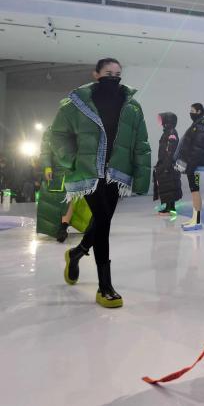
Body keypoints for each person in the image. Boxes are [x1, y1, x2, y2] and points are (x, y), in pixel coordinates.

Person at [52, 58, 151, 308]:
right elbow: (59, 135)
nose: (114, 77)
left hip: (116, 173)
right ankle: (105, 286)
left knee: (101, 220)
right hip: (89, 172)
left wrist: (142, 176)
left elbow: (141, 143)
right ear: (95, 74)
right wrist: (71, 161)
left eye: (118, 73)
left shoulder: (132, 107)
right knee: (103, 221)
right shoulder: (75, 104)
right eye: (108, 72)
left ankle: (76, 253)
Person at [36, 126, 92, 242]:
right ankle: (61, 227)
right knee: (57, 200)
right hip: (56, 171)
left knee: (70, 198)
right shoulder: (51, 129)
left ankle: (64, 226)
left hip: (73, 169)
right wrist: (47, 167)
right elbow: (45, 151)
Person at [175, 103, 204, 231]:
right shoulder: (196, 126)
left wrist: (189, 166)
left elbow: (197, 150)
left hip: (196, 165)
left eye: (192, 110)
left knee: (195, 190)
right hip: (193, 165)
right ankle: (194, 218)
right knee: (194, 190)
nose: (190, 113)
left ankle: (196, 221)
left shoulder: (200, 128)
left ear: (199, 112)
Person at [153, 112, 182, 216]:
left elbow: (171, 150)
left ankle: (171, 209)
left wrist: (166, 165)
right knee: (167, 186)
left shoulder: (171, 133)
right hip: (165, 163)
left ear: (168, 120)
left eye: (162, 119)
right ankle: (168, 207)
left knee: (170, 185)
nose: (161, 121)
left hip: (169, 164)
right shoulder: (167, 132)